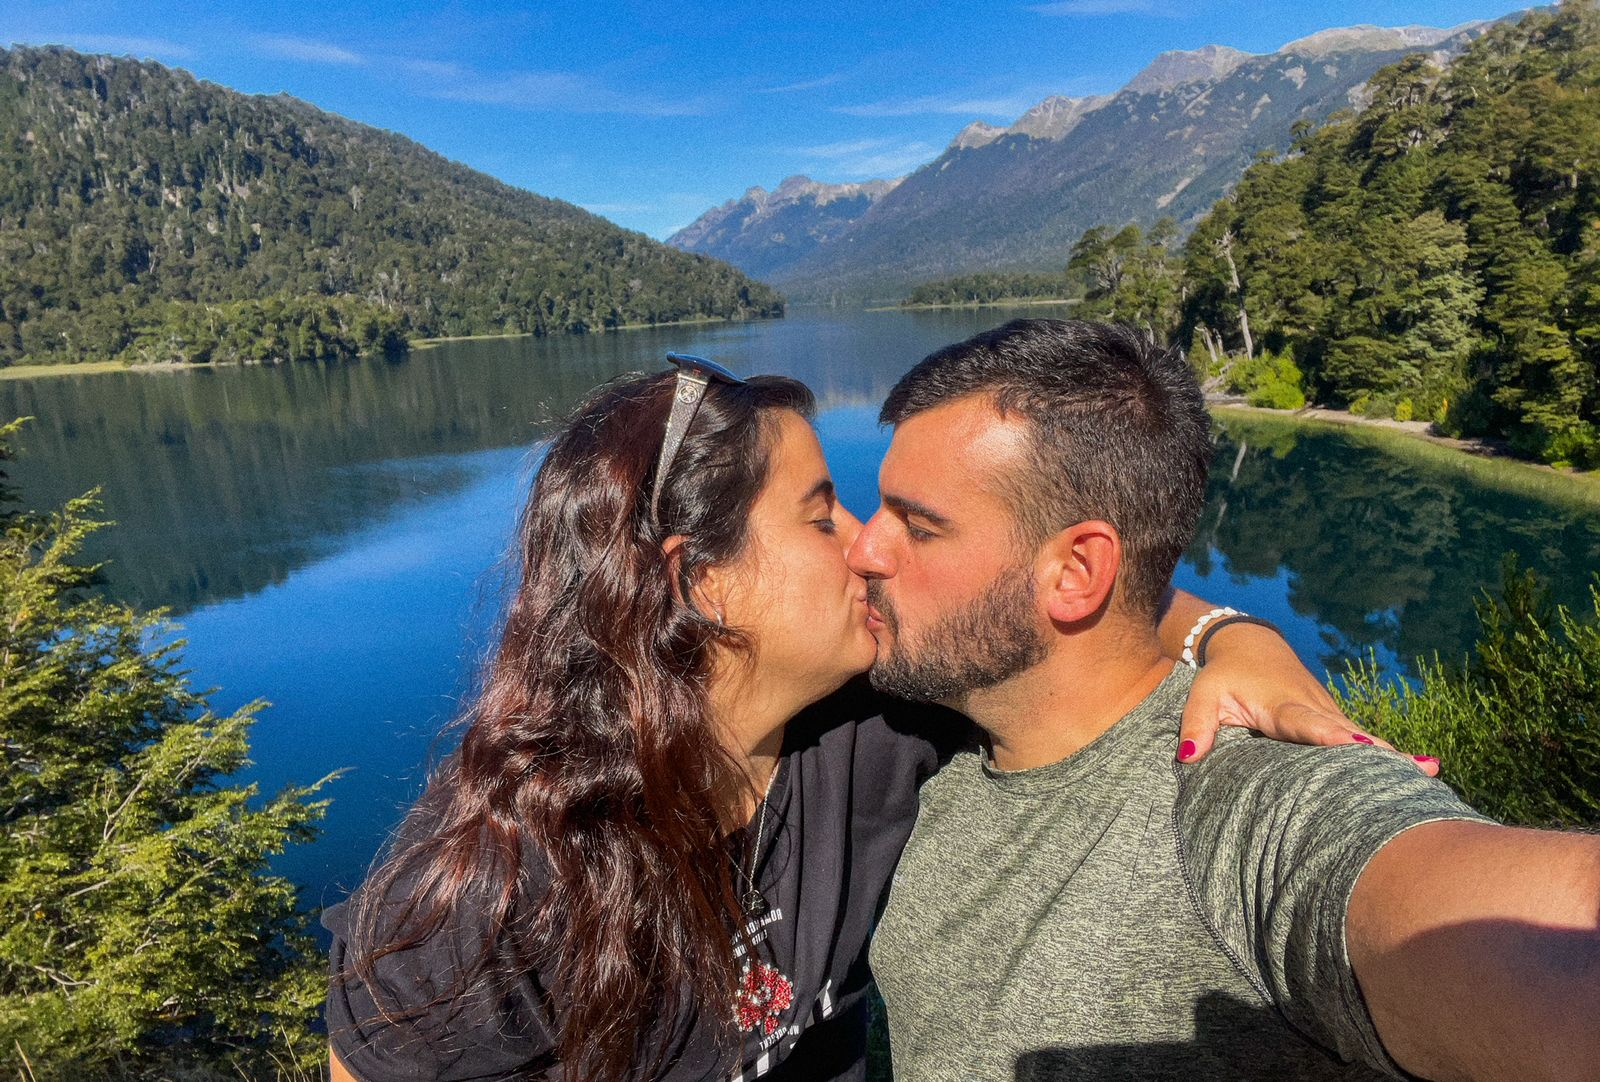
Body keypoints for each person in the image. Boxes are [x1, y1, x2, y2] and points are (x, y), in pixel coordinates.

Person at [324, 354, 1423, 1082]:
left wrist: (1234, 634)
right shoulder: (485, 889)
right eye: (821, 516)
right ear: (702, 582)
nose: (863, 543)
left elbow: (1068, 599)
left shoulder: (877, 725)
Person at [855, 319, 1600, 1082]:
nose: (863, 550)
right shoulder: (926, 720)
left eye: (919, 527)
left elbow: (1530, 937)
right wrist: (1232, 630)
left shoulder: (1239, 797)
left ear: (1077, 571)